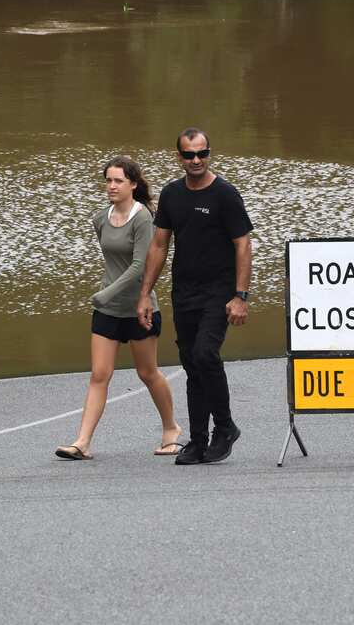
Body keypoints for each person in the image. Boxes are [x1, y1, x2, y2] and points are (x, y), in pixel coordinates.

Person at [55, 156, 183, 460]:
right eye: (108, 180)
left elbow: (140, 266)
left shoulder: (143, 218)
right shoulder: (101, 218)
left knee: (147, 372)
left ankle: (171, 429)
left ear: (133, 184)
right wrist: (106, 296)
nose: (111, 186)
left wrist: (106, 292)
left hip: (140, 308)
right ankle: (82, 442)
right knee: (99, 374)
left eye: (118, 181)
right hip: (107, 310)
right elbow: (112, 262)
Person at [137, 128, 252, 465]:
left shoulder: (225, 194)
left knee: (205, 354)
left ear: (209, 154)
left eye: (202, 153)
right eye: (189, 155)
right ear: (180, 157)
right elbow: (159, 245)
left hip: (219, 292)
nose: (197, 160)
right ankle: (198, 440)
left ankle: (225, 427)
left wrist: (240, 296)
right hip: (184, 291)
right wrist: (145, 294)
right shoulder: (172, 194)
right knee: (191, 363)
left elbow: (243, 245)